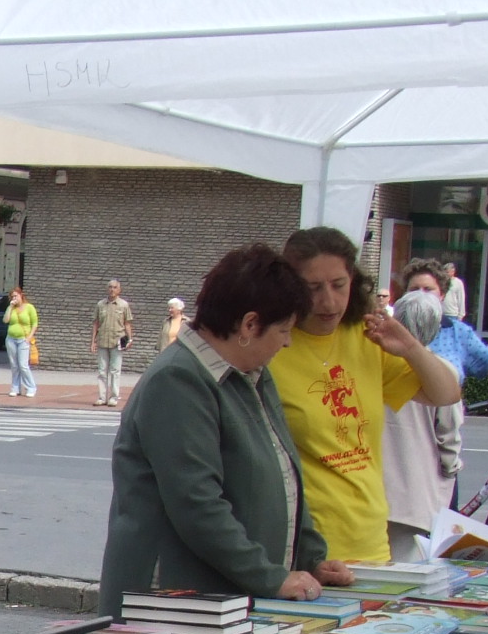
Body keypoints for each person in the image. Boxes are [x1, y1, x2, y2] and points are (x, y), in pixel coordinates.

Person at [103, 244, 351, 607]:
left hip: (232, 595)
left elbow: (283, 471)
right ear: (249, 325)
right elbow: (197, 503)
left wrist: (311, 558)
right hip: (175, 601)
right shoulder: (177, 381)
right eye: (284, 330)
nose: (287, 343)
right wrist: (270, 577)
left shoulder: (253, 374)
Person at [268, 226, 462, 565]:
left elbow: (445, 393)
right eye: (313, 288)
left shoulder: (366, 335)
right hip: (304, 549)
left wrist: (410, 347)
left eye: (339, 285)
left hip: (370, 542)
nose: (328, 302)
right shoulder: (272, 345)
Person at [379, 289, 456, 563]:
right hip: (417, 490)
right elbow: (449, 439)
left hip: (375, 485)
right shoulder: (440, 372)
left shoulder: (377, 362)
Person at [403, 263, 488, 391]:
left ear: (442, 295)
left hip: (445, 406)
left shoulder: (458, 332)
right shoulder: (393, 329)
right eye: (414, 289)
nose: (420, 294)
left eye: (428, 289)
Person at [91, 280, 134, 408]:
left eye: (115, 287)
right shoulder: (100, 305)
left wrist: (130, 339)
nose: (112, 289)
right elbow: (96, 323)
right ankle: (102, 397)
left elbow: (127, 323)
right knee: (102, 371)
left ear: (119, 290)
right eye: (110, 287)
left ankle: (114, 397)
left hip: (117, 341)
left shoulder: (123, 305)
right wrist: (93, 341)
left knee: (115, 371)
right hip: (102, 340)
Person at [2, 287, 39, 396]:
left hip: (23, 339)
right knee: (14, 365)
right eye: (12, 297)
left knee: (23, 365)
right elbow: (5, 320)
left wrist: (29, 337)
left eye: (16, 296)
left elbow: (35, 323)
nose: (14, 298)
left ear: (21, 295)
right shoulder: (11, 308)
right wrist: (10, 307)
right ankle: (15, 388)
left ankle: (31, 387)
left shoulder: (29, 307)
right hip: (11, 339)